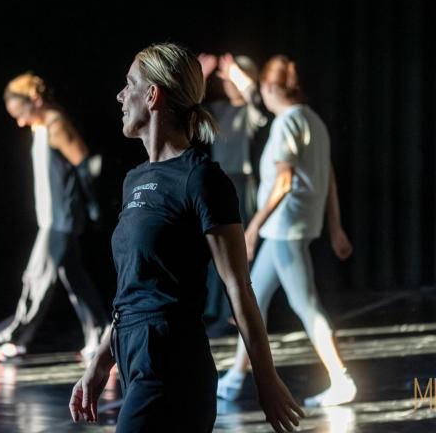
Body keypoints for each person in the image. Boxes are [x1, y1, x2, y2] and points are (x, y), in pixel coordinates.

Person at [69, 44, 304, 433]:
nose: (120, 96)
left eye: (129, 84)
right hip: (133, 358)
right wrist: (100, 362)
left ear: (152, 95)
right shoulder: (134, 180)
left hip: (174, 364)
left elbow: (239, 288)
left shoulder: (202, 179)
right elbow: (132, 292)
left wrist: (266, 380)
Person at [217, 55, 356, 407]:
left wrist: (254, 227)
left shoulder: (286, 124)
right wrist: (335, 226)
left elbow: (283, 182)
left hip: (284, 228)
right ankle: (236, 375)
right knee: (253, 300)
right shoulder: (313, 121)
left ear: (269, 88)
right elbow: (329, 177)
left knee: (305, 305)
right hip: (294, 226)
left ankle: (340, 378)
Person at [0, 73, 110, 362]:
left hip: (61, 218)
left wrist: (94, 207)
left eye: (21, 114)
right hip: (51, 217)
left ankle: (16, 339)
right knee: (74, 278)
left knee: (38, 277)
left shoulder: (56, 125)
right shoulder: (40, 126)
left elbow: (84, 164)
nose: (20, 122)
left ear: (35, 100)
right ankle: (102, 335)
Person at [199, 52, 270, 337]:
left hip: (242, 185)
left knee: (240, 251)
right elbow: (190, 110)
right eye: (226, 78)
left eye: (234, 78)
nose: (228, 82)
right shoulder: (218, 109)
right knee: (216, 249)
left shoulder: (251, 113)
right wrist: (201, 77)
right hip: (219, 181)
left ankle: (235, 315)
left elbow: (255, 100)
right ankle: (217, 311)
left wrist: (237, 74)